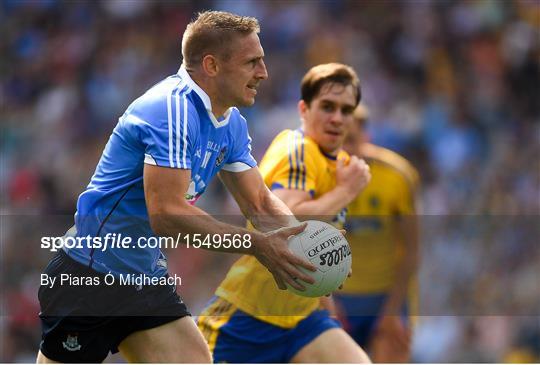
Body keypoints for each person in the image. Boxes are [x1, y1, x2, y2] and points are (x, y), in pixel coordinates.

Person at [37, 11, 318, 363]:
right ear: (212, 66)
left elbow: (260, 203)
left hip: (143, 279)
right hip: (90, 277)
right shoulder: (170, 109)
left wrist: (307, 249)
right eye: (252, 62)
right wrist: (257, 246)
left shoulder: (230, 123)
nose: (263, 73)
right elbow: (166, 214)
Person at [198, 63, 372, 363]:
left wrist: (325, 301)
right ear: (304, 109)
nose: (337, 118)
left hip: (302, 320)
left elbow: (319, 245)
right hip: (248, 318)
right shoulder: (298, 148)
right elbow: (288, 222)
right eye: (327, 107)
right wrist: (347, 192)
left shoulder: (339, 164)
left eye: (346, 110)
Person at [334, 104, 420, 362]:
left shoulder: (398, 175)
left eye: (351, 140)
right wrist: (324, 303)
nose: (346, 149)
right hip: (341, 299)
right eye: (339, 141)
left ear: (366, 137)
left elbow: (412, 250)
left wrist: (392, 310)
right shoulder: (322, 175)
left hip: (386, 298)